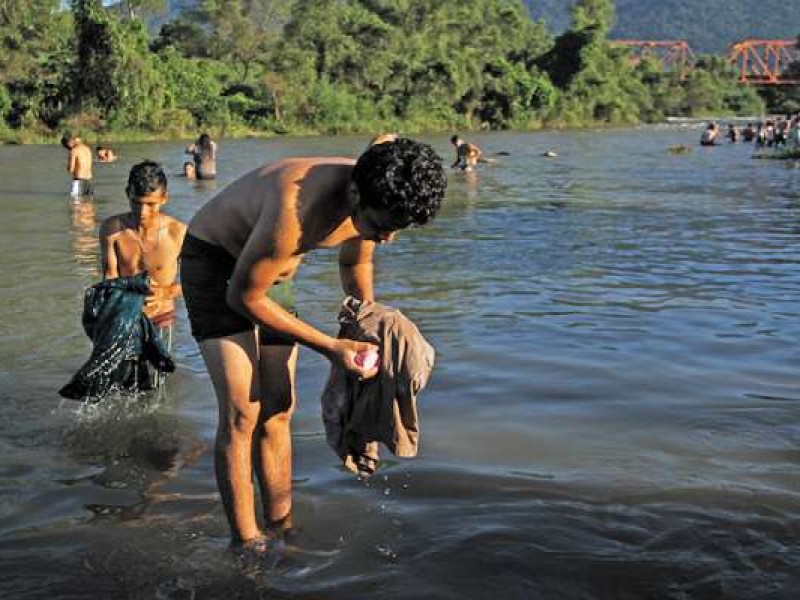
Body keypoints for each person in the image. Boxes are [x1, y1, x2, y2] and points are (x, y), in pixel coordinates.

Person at [179, 138, 447, 549]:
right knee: (242, 412)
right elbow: (243, 298)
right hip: (216, 265)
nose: (387, 238)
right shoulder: (296, 208)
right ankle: (246, 542)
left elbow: (356, 261)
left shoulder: (375, 190)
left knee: (279, 406)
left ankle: (282, 525)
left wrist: (364, 324)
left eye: (396, 229)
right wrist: (330, 348)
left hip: (271, 273)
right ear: (355, 194)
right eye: (380, 227)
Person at [99, 160, 187, 329]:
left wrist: (166, 292)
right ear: (127, 194)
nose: (142, 212)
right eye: (136, 203)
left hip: (161, 317)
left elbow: (198, 280)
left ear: (164, 198)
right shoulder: (112, 229)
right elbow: (110, 276)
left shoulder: (178, 233)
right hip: (123, 315)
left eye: (150, 204)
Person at [62, 133, 94, 199]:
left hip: (79, 180)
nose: (68, 149)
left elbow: (71, 169)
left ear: (69, 143)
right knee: (88, 203)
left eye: (66, 146)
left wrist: (68, 167)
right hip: (89, 180)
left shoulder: (74, 151)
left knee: (76, 205)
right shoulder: (87, 148)